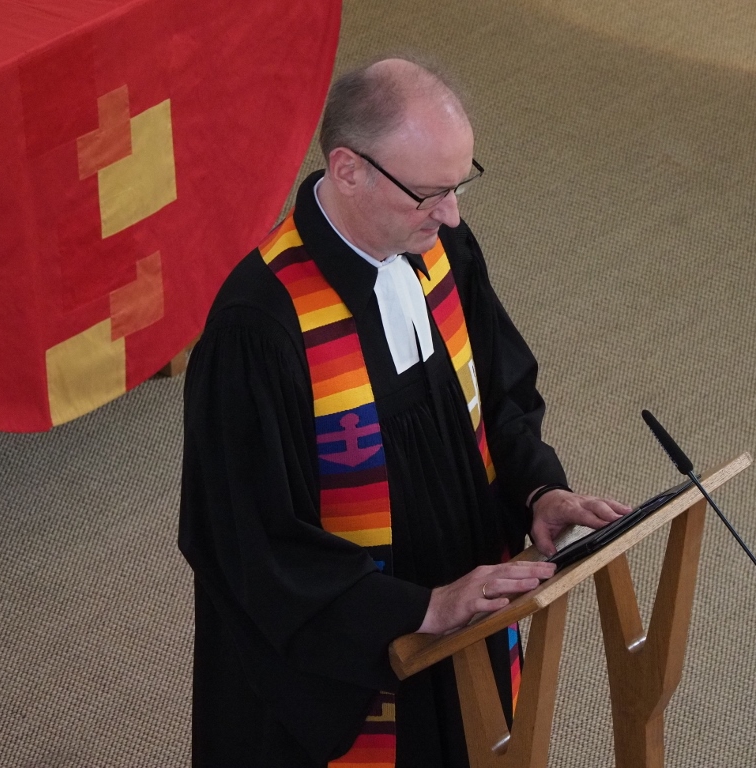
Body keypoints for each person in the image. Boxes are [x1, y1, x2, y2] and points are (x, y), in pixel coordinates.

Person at [178, 57, 630, 768]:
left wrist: (538, 489)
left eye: (458, 185)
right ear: (349, 169)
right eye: (430, 193)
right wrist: (418, 610)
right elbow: (249, 540)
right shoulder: (260, 329)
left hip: (462, 617)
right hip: (347, 660)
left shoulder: (440, 247)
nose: (452, 213)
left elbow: (500, 395)